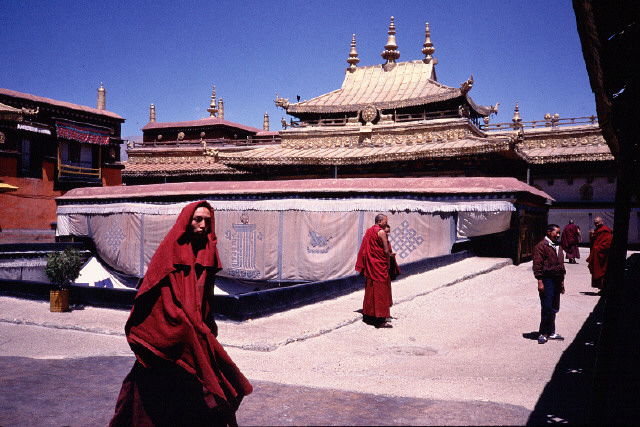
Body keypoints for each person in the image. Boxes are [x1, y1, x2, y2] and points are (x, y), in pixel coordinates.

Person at [109, 201, 252, 427]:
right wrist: (182, 324)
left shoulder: (208, 253)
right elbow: (156, 292)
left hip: (195, 325)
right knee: (153, 389)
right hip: (170, 328)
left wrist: (207, 323)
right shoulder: (170, 250)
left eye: (207, 221)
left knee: (194, 385)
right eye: (198, 220)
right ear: (187, 221)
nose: (203, 225)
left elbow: (205, 296)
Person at [355, 214, 393, 328]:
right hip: (379, 266)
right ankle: (380, 320)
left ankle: (369, 316)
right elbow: (386, 250)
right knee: (381, 291)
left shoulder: (369, 231)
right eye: (385, 221)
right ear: (380, 221)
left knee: (371, 289)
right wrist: (388, 263)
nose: (386, 223)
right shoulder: (381, 232)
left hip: (371, 265)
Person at [532, 224, 566, 344]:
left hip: (557, 280)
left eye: (559, 233)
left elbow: (561, 265)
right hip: (547, 280)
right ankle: (543, 333)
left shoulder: (557, 246)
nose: (558, 235)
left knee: (554, 307)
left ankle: (551, 332)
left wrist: (562, 282)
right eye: (556, 233)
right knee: (546, 307)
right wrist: (540, 281)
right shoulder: (541, 246)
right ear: (548, 232)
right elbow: (537, 265)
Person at [586, 216, 613, 291]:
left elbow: (608, 244)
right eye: (595, 223)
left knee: (603, 271)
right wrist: (591, 235)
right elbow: (593, 242)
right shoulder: (597, 231)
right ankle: (601, 288)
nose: (597, 224)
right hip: (597, 254)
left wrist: (597, 249)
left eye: (598, 222)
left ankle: (604, 288)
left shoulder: (606, 231)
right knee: (597, 270)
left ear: (602, 222)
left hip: (603, 255)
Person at [384, 224, 400, 310]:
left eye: (389, 232)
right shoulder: (381, 240)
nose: (388, 233)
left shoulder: (387, 241)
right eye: (386, 232)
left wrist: (391, 255)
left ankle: (388, 304)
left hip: (388, 266)